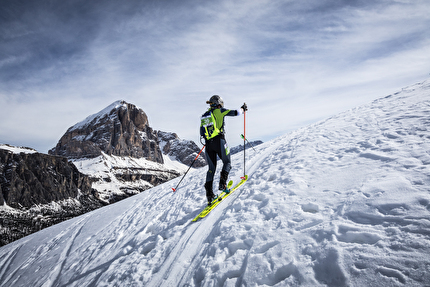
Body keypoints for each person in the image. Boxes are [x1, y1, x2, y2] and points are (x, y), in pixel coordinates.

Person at [200, 95, 248, 205]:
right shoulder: (220, 111)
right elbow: (236, 113)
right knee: (227, 162)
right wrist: (243, 108)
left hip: (208, 144)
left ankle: (210, 195)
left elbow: (201, 132)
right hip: (219, 141)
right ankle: (222, 184)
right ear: (219, 103)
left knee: (211, 169)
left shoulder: (205, 116)